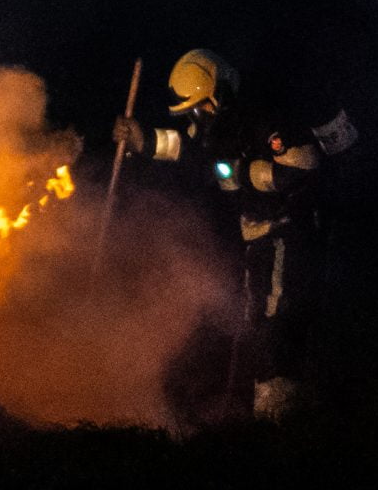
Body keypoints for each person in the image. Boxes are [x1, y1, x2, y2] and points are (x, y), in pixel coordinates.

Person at [113, 50, 357, 421]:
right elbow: (192, 151)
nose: (197, 119)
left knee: (276, 319)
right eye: (191, 113)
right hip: (258, 233)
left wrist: (244, 173)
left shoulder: (263, 118)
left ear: (218, 96)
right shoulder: (221, 127)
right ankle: (273, 411)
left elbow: (302, 168)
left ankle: (281, 418)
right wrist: (144, 140)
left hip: (290, 231)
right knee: (258, 318)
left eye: (198, 110)